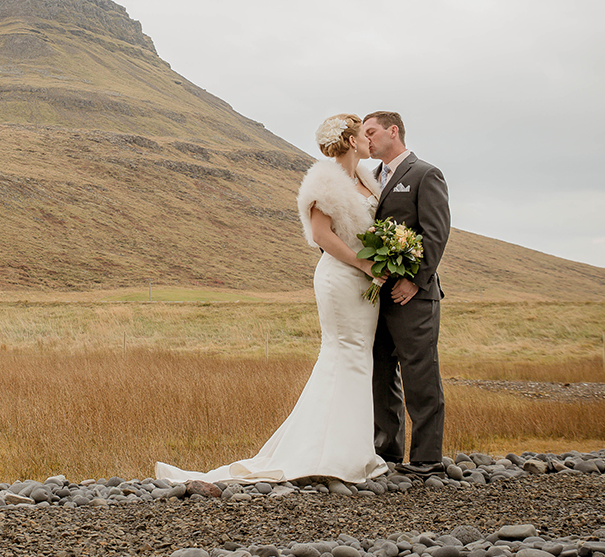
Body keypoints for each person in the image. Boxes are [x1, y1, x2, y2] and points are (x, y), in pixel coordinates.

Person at [154, 113, 389, 485]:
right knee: (343, 353)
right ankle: (333, 456)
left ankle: (348, 449)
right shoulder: (325, 180)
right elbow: (321, 235)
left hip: (365, 283)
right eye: (363, 134)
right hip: (341, 278)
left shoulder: (366, 179)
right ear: (349, 140)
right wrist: (362, 262)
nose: (368, 140)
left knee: (359, 356)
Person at [361, 111, 450, 477]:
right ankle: (387, 452)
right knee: (380, 373)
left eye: (371, 131)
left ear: (393, 131)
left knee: (419, 373)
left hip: (414, 295)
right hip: (378, 294)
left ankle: (428, 458)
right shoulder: (367, 178)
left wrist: (415, 280)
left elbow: (435, 232)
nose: (365, 139)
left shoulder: (425, 174)